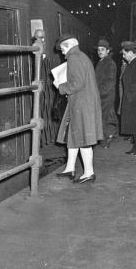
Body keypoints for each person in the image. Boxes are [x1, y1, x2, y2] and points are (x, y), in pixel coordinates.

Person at [54, 34, 103, 183]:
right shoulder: (82, 56)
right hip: (83, 102)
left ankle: (89, 173)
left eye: (62, 49)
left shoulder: (73, 58)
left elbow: (77, 83)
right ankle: (70, 168)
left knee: (82, 138)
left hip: (81, 104)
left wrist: (60, 86)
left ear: (68, 45)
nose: (62, 52)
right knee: (73, 135)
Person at [94, 39, 118, 148]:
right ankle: (108, 137)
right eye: (98, 50)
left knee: (104, 117)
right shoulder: (101, 62)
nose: (100, 52)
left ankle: (106, 140)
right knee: (104, 117)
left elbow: (110, 82)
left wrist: (99, 92)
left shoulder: (110, 63)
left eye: (102, 50)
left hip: (105, 96)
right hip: (101, 95)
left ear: (108, 51)